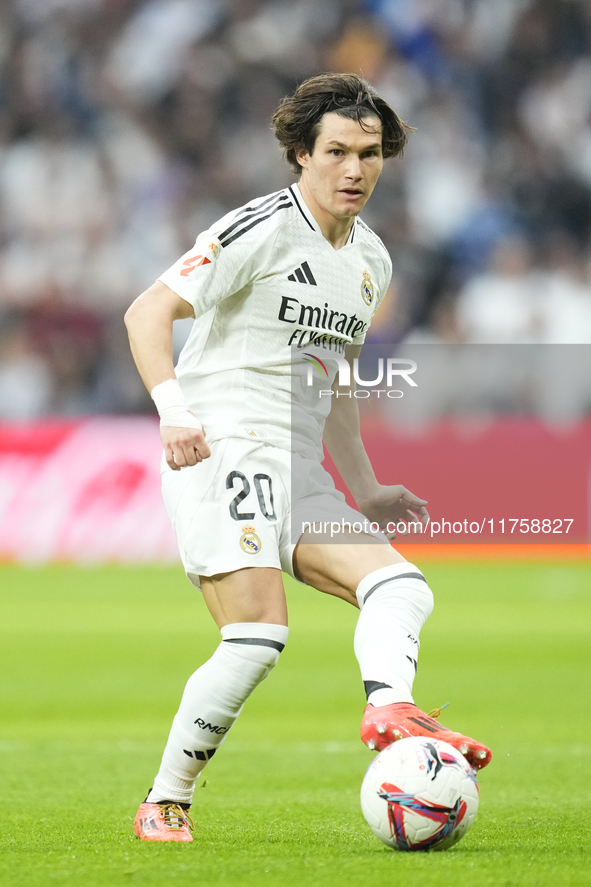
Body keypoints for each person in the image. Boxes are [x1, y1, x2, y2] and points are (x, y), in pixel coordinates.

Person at [124, 72, 492, 843]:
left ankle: (389, 702)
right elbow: (147, 310)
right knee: (257, 637)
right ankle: (165, 798)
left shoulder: (371, 262)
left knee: (401, 588)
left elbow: (338, 376)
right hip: (224, 447)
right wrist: (173, 410)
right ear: (300, 153)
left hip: (301, 468)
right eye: (336, 151)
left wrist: (363, 483)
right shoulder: (260, 227)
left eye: (369, 152)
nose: (354, 169)